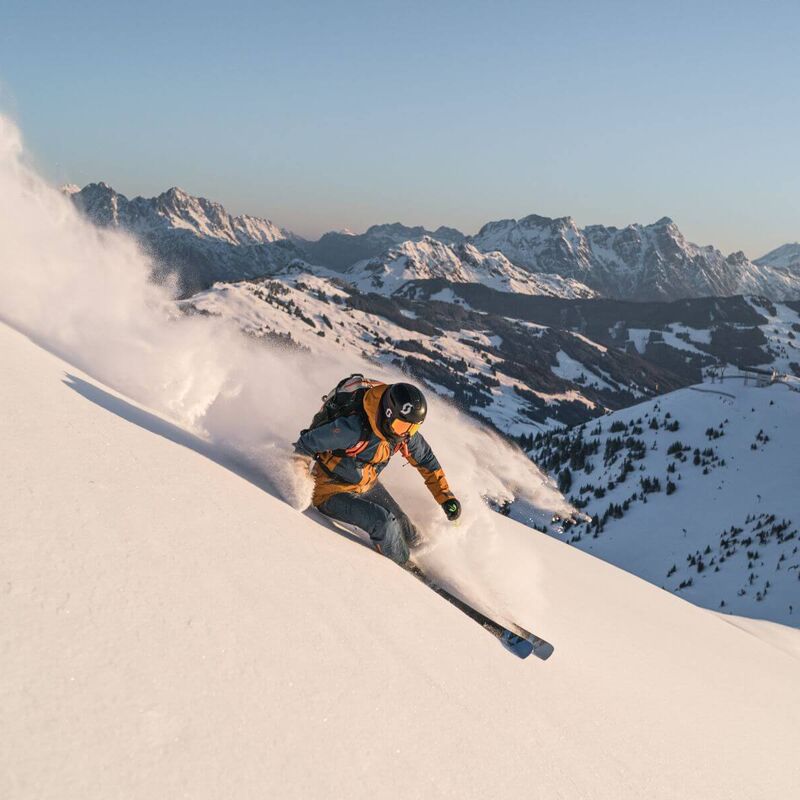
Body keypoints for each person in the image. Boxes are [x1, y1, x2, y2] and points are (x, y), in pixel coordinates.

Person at [294, 380, 461, 566]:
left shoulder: (403, 433)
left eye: (413, 428)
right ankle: (405, 566)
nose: (406, 434)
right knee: (383, 522)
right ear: (388, 413)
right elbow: (306, 443)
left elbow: (426, 461)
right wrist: (299, 481)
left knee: (402, 523)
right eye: (402, 426)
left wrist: (445, 497)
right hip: (330, 491)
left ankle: (425, 556)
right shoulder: (353, 429)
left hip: (367, 484)